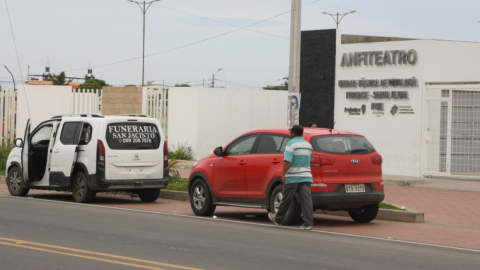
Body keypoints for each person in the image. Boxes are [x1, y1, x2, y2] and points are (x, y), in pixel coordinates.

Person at [268, 125, 314, 230]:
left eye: (290, 133)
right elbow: (310, 159)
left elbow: (287, 160)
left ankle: (278, 219)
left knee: (286, 199)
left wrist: (283, 174)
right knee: (306, 201)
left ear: (293, 133)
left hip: (293, 177)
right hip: (306, 176)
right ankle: (308, 223)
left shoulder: (290, 144)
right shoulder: (308, 145)